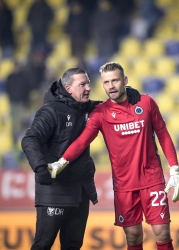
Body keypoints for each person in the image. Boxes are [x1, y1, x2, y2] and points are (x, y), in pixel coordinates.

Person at [48, 62, 179, 250]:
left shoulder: (146, 103)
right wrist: (63, 160)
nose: (111, 86)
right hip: (124, 185)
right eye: (106, 82)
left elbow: (163, 134)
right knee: (133, 236)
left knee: (162, 232)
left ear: (125, 81)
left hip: (151, 179)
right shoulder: (100, 113)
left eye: (115, 80)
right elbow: (82, 141)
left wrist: (175, 168)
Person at [21, 67, 140, 249]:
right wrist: (40, 167)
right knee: (43, 244)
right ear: (68, 89)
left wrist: (126, 93)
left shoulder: (88, 108)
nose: (88, 88)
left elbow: (110, 106)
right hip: (54, 191)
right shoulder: (50, 112)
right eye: (82, 84)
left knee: (73, 245)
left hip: (80, 192)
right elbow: (30, 139)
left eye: (89, 84)